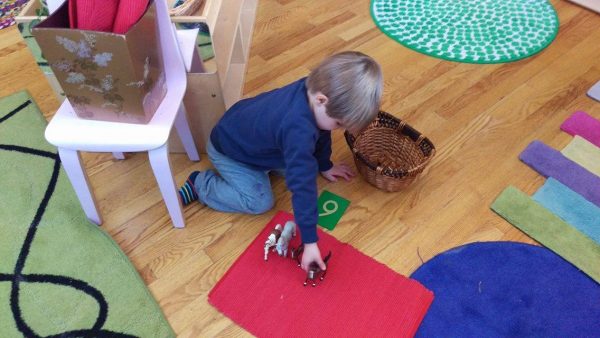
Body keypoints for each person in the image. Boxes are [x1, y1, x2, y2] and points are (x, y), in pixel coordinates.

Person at [178, 51, 383, 272]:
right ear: (321, 100)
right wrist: (310, 242)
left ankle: (272, 167)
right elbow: (303, 188)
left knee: (308, 163)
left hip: (255, 138)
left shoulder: (313, 90)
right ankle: (201, 185)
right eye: (338, 124)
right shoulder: (298, 128)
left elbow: (322, 134)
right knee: (260, 202)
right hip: (231, 151)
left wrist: (324, 164)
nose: (338, 129)